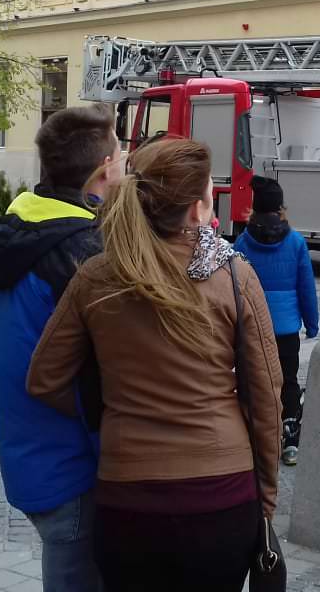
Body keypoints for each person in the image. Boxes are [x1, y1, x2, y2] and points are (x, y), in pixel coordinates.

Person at [27, 138, 282, 592]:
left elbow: (45, 380)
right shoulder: (233, 276)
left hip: (128, 499)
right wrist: (266, 501)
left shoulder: (97, 276)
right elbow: (266, 398)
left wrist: (110, 414)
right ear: (196, 208)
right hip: (222, 497)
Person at [0, 107, 120, 592]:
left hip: (31, 457)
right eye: (119, 154)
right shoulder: (82, 253)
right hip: (72, 465)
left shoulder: (22, 229)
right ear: (103, 169)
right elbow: (105, 373)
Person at [233, 175, 318, 467]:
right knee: (289, 380)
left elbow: (235, 287)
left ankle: (257, 437)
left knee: (255, 379)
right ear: (280, 208)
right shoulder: (295, 241)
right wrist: (312, 322)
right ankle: (291, 438)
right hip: (285, 329)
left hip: (254, 326)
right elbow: (306, 286)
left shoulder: (244, 241)